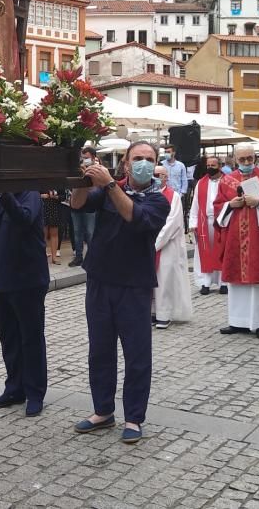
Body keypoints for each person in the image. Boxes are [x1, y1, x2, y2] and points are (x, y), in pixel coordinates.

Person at [70, 141, 170, 444]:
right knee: (100, 350)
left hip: (134, 285)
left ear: (155, 164)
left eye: (148, 159)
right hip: (100, 279)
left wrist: (111, 184)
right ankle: (102, 411)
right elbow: (78, 204)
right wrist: (81, 181)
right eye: (137, 158)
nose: (143, 163)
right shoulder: (107, 189)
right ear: (126, 163)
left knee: (137, 354)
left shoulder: (159, 199)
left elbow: (134, 217)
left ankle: (134, 418)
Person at [214, 143, 259, 341]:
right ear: (235, 159)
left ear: (255, 157)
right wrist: (230, 205)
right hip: (235, 239)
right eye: (242, 159)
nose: (246, 162)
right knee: (236, 283)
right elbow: (218, 206)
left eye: (250, 158)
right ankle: (237, 321)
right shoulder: (227, 181)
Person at [0, 191, 49, 417]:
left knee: (31, 339)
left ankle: (35, 392)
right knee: (9, 339)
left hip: (28, 282)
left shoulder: (29, 195)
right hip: (3, 281)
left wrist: (5, 196)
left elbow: (23, 218)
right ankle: (14, 388)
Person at [152, 165, 192, 329]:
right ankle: (152, 312)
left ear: (166, 177)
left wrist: (154, 243)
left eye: (159, 175)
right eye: (154, 174)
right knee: (151, 279)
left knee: (164, 279)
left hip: (166, 245)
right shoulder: (148, 194)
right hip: (148, 243)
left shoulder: (173, 196)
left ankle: (164, 314)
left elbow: (172, 223)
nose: (155, 177)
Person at [189, 156, 225, 295]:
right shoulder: (201, 183)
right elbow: (195, 203)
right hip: (204, 222)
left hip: (222, 222)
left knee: (221, 251)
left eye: (213, 165)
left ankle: (223, 283)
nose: (210, 167)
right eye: (208, 165)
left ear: (220, 166)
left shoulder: (227, 181)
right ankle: (206, 282)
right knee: (205, 252)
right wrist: (193, 222)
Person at [70, 146, 98, 267]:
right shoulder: (77, 169)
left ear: (93, 158)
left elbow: (96, 188)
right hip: (76, 205)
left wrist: (88, 174)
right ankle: (78, 257)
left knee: (90, 232)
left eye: (86, 158)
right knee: (77, 232)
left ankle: (92, 257)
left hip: (90, 205)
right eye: (82, 158)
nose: (84, 160)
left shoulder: (97, 170)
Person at [40, 189, 60, 264]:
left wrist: (56, 197)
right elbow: (32, 194)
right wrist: (41, 196)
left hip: (54, 209)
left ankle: (54, 257)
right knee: (42, 234)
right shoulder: (40, 181)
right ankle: (42, 256)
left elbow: (63, 196)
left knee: (54, 233)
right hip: (42, 208)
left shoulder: (58, 182)